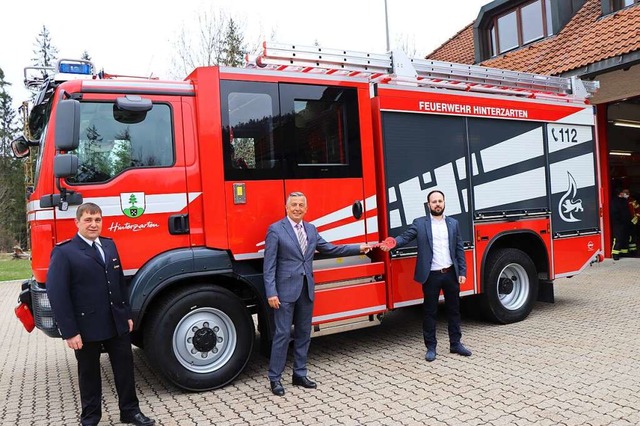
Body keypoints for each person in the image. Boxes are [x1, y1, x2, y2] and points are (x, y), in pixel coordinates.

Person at [46, 203, 155, 426]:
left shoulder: (109, 245)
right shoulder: (65, 252)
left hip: (116, 322)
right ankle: (91, 417)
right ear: (77, 222)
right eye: (88, 220)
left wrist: (126, 314)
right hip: (86, 327)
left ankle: (130, 411)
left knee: (125, 369)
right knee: (89, 374)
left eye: (97, 219)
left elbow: (119, 283)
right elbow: (58, 294)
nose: (93, 224)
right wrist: (70, 331)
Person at [264, 192, 371, 396]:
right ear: (286, 208)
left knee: (304, 334)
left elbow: (331, 249)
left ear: (306, 208)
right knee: (282, 335)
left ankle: (299, 373)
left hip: (306, 290)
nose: (297, 208)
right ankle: (275, 378)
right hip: (284, 292)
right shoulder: (276, 230)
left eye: (301, 205)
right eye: (293, 204)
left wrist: (358, 248)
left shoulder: (311, 230)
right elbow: (269, 265)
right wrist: (271, 292)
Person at [380, 190, 471, 362]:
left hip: (451, 273)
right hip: (431, 276)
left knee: (454, 310)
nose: (437, 204)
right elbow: (405, 237)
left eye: (440, 201)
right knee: (430, 312)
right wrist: (392, 243)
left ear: (444, 202)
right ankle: (431, 347)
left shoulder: (453, 223)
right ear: (428, 205)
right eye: (434, 201)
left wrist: (463, 272)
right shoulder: (420, 224)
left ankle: (456, 343)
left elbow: (459, 248)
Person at [611, 187, 632, 260]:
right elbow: (614, 213)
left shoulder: (624, 201)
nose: (626, 194)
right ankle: (615, 254)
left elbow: (627, 212)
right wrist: (619, 221)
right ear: (620, 193)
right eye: (624, 192)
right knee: (618, 238)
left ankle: (624, 252)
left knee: (625, 238)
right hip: (618, 224)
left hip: (625, 223)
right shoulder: (615, 201)